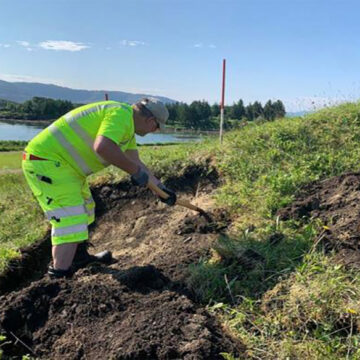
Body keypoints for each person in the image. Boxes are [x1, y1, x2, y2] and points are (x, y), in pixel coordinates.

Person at [22, 97, 177, 278]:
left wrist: (160, 188)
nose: (154, 131)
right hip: (47, 163)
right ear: (151, 121)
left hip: (66, 168)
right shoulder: (120, 115)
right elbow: (103, 147)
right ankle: (58, 277)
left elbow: (136, 162)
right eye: (157, 127)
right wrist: (134, 172)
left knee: (86, 208)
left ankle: (78, 258)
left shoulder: (127, 126)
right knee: (70, 219)